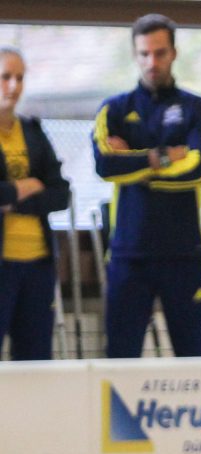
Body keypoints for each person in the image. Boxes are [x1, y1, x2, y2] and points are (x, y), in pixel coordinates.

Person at [92, 14, 201, 358]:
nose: (152, 62)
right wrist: (162, 157)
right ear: (135, 55)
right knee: (120, 363)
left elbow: (200, 168)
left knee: (195, 362)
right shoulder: (113, 109)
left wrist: (134, 165)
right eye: (144, 54)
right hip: (128, 255)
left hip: (184, 255)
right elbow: (105, 165)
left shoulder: (198, 109)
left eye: (160, 53)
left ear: (173, 53)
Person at [0, 47, 71, 361]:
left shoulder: (33, 131)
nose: (13, 86)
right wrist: (25, 186)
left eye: (20, 78)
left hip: (38, 264)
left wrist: (12, 201)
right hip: (3, 264)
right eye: (5, 77)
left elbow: (60, 194)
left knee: (36, 359)